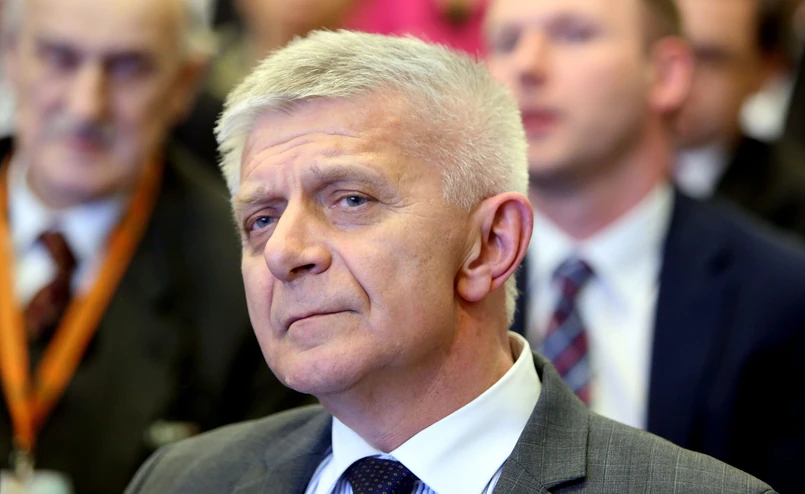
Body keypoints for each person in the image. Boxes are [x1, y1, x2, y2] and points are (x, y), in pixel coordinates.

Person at [126, 30, 773, 494]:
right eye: (261, 219)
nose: (285, 253)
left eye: (350, 200)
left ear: (491, 244)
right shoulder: (181, 480)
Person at [484, 0, 805, 491]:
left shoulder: (780, 297)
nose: (527, 65)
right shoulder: (445, 278)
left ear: (667, 73)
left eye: (574, 34)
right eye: (506, 42)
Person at [0, 0, 310, 492]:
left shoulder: (253, 274)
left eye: (128, 68)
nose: (87, 105)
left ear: (185, 82)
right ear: (9, 55)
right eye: (60, 58)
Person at [674, 0, 805, 237]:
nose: (679, 79)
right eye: (669, 54)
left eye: (710, 59)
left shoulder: (792, 204)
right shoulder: (604, 170)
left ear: (766, 70)